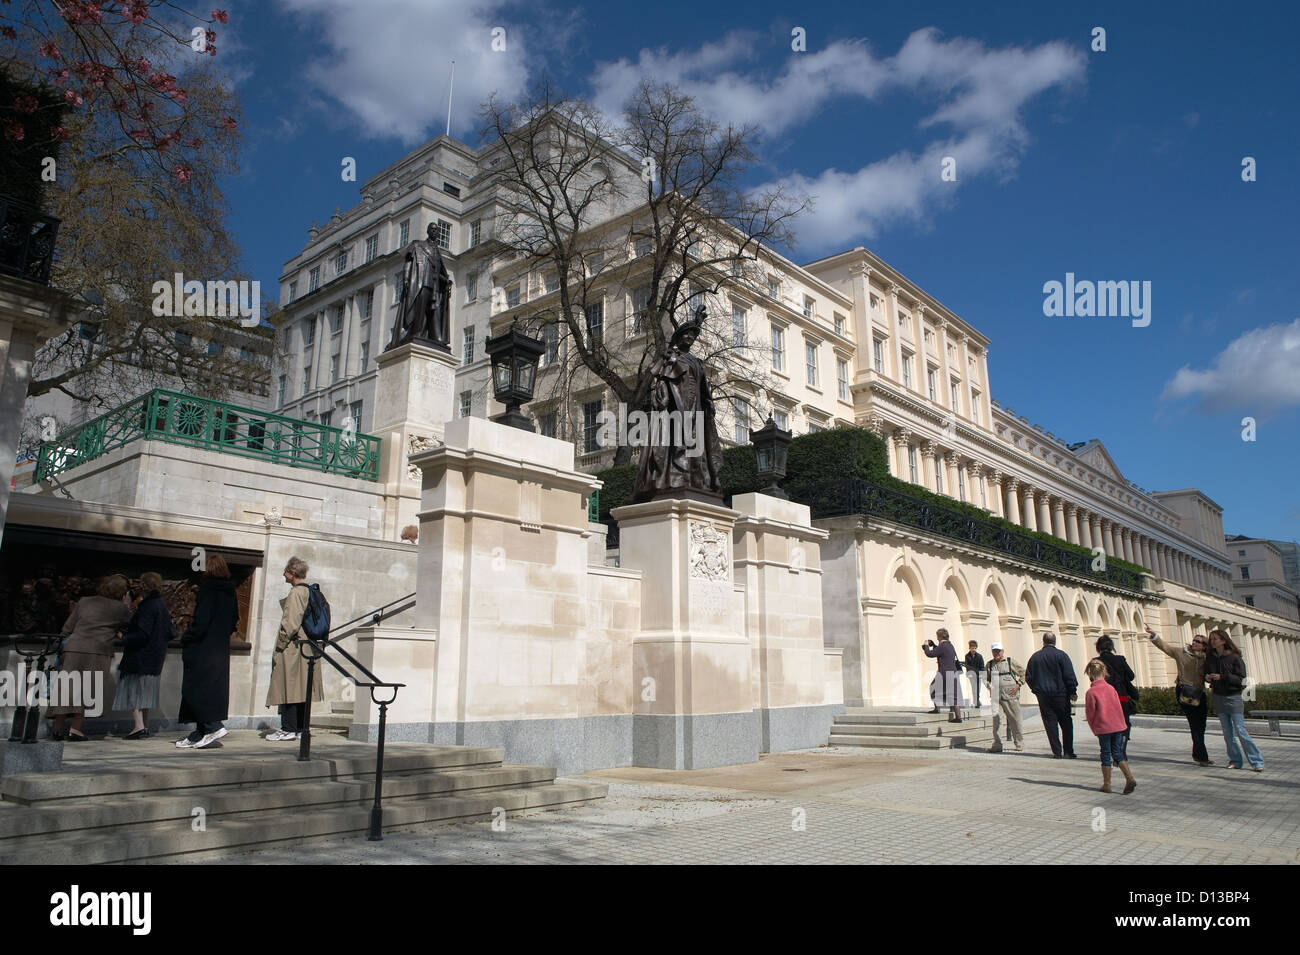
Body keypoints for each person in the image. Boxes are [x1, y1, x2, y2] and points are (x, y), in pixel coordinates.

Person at [48, 575, 132, 741]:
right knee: (88, 690)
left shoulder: (85, 601)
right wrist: (127, 606)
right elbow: (130, 626)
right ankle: (75, 729)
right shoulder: (120, 609)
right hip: (98, 651)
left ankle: (57, 728)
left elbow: (68, 627)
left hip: (74, 648)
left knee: (66, 688)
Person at [177, 554, 240, 749]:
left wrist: (187, 637)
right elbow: (234, 621)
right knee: (209, 688)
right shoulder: (231, 592)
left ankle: (213, 726)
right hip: (219, 648)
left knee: (195, 688)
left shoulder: (207, 591)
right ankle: (200, 732)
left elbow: (201, 622)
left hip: (202, 648)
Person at [265, 556, 324, 741]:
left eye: (286, 571)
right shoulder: (310, 591)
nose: (283, 574)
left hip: (294, 647)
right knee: (301, 688)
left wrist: (280, 645)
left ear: (292, 573)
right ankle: (300, 728)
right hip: (308, 647)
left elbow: (290, 624)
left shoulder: (297, 592)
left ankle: (288, 728)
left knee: (288, 686)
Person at [113, 572, 176, 739]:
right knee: (146, 693)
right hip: (155, 657)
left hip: (141, 656)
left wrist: (124, 637)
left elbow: (142, 633)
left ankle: (138, 726)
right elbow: (171, 632)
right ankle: (143, 726)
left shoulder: (148, 606)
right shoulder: (160, 605)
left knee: (134, 690)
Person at [1144, 625, 1211, 766]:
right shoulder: (1182, 652)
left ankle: (1198, 754)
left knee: (1201, 725)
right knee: (1195, 725)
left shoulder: (1207, 658)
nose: (1194, 643)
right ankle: (1202, 757)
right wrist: (1154, 635)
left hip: (1200, 693)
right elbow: (1166, 648)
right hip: (1186, 692)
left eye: (1198, 641)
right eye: (1194, 640)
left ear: (1204, 646)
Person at [1204, 629, 1264, 772]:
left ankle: (1256, 761)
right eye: (1211, 639)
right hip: (1218, 697)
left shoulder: (1235, 658)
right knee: (1227, 733)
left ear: (1223, 641)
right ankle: (1235, 760)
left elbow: (1242, 679)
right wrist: (1207, 678)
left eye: (1215, 639)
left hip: (1233, 697)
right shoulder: (1210, 658)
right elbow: (1205, 673)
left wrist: (1222, 677)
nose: (1212, 642)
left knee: (1241, 730)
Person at [1084, 659, 1137, 794]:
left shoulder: (1091, 692)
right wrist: (1122, 724)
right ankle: (1129, 777)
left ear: (1090, 674)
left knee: (1105, 754)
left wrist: (1094, 729)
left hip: (1103, 727)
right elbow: (1118, 707)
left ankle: (1107, 784)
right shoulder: (1111, 688)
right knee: (1117, 752)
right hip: (1117, 726)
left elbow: (1090, 714)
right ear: (1104, 673)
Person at [1025, 632, 1078, 758]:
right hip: (1061, 694)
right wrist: (1072, 691)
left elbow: (1029, 677)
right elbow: (1069, 674)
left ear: (1043, 641)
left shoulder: (1035, 657)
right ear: (1054, 642)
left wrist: (1036, 690)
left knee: (1050, 723)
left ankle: (1057, 752)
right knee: (1066, 723)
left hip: (1043, 696)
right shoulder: (1061, 655)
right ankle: (1068, 751)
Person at [1093, 634, 1137, 760]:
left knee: (1106, 723)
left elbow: (1093, 679)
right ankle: (1121, 747)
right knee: (1124, 722)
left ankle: (1110, 750)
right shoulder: (1120, 660)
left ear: (1098, 647)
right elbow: (1131, 676)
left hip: (1104, 699)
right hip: (1121, 696)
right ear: (1111, 647)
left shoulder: (1096, 662)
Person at [984, 642, 1026, 752]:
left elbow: (1024, 672)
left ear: (1002, 651)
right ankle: (997, 744)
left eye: (998, 651)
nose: (996, 653)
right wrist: (988, 685)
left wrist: (1019, 684)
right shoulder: (989, 664)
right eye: (994, 651)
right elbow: (985, 678)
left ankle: (1019, 742)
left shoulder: (1009, 662)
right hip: (996, 697)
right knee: (996, 721)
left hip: (1010, 695)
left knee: (1015, 719)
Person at [921, 628, 964, 723]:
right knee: (954, 694)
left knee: (933, 688)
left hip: (943, 672)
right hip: (953, 672)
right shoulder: (950, 645)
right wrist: (935, 646)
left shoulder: (943, 646)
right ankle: (958, 716)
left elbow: (930, 654)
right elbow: (941, 652)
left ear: (939, 636)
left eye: (937, 636)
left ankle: (937, 708)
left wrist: (926, 646)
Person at [963, 640, 985, 708]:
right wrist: (968, 673)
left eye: (975, 648)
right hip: (972, 675)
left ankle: (977, 701)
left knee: (978, 688)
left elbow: (982, 666)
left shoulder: (979, 656)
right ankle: (976, 701)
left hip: (978, 675)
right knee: (973, 688)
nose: (974, 649)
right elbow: (967, 666)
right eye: (972, 648)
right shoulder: (967, 656)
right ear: (970, 648)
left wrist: (981, 674)